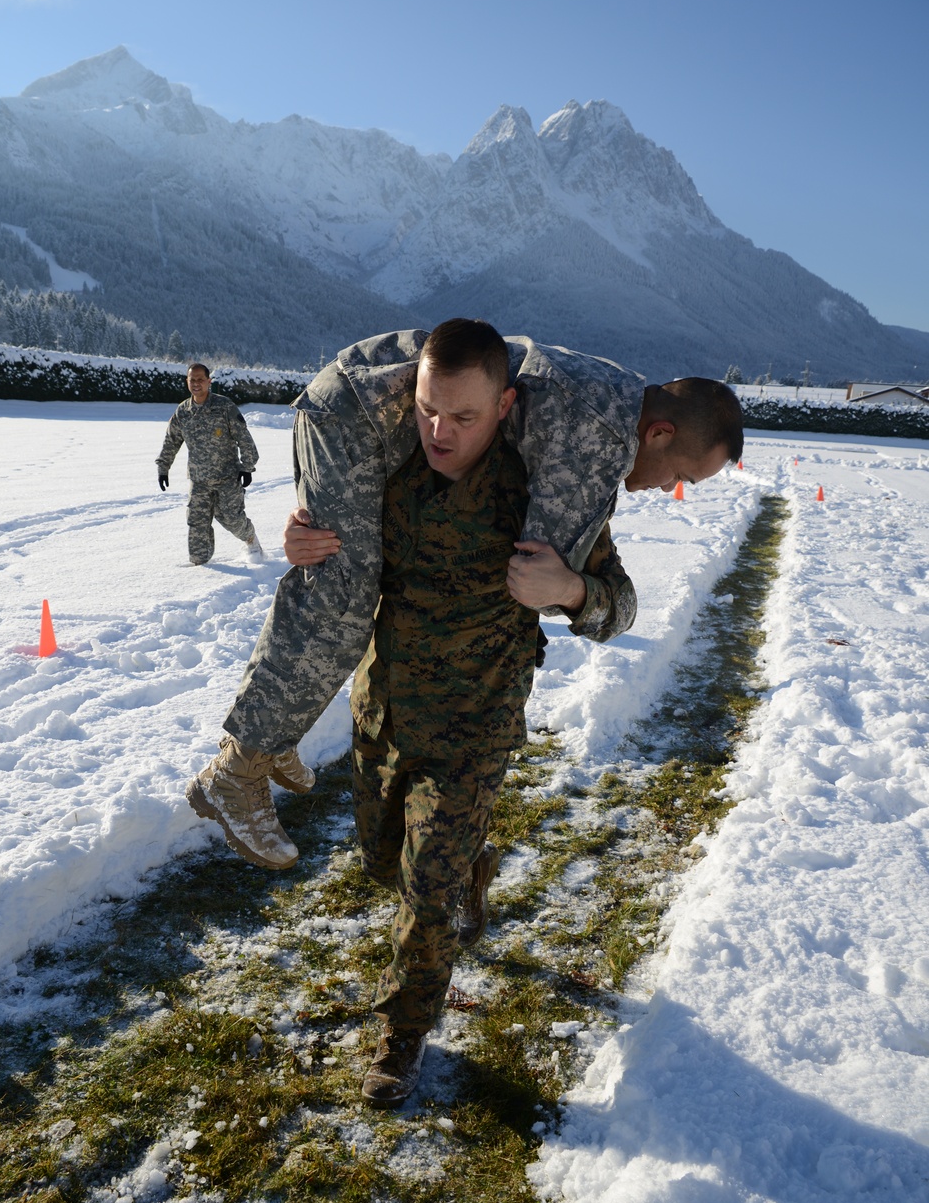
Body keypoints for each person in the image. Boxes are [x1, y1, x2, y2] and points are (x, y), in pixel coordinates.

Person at [186, 324, 743, 867]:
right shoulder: (598, 437)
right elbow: (537, 579)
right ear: (660, 433)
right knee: (342, 593)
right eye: (683, 475)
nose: (671, 487)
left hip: (367, 397)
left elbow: (575, 579)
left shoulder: (611, 393)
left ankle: (277, 724)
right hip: (357, 412)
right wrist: (568, 587)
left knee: (337, 567)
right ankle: (238, 770)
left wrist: (576, 589)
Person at [344, 321, 636, 1104]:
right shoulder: (389, 469)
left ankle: (401, 1036)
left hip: (474, 729)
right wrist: (305, 538)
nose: (440, 432)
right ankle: (474, 867)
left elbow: (620, 607)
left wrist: (571, 591)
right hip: (385, 713)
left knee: (423, 893)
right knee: (380, 864)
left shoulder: (542, 495)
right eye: (428, 410)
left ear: (506, 406)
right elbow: (336, 553)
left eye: (464, 417)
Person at [156, 362, 263, 565]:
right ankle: (200, 567)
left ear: (208, 382)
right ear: (187, 382)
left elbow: (243, 437)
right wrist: (163, 468)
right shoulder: (183, 411)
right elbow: (171, 441)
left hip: (227, 477)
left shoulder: (224, 407)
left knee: (232, 519)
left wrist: (247, 466)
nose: (196, 384)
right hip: (199, 480)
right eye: (192, 379)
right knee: (196, 523)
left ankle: (251, 540)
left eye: (200, 379)